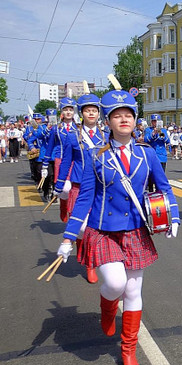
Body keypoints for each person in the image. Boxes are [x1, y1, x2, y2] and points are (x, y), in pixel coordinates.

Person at [56, 88, 180, 365]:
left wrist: (173, 215)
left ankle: (128, 350)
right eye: (117, 115)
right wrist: (68, 238)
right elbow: (85, 197)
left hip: (136, 231)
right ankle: (108, 307)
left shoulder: (146, 154)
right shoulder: (95, 155)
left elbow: (164, 187)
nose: (124, 119)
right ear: (108, 121)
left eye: (129, 115)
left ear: (136, 120)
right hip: (103, 230)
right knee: (114, 284)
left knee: (134, 289)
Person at [55, 93, 108, 284]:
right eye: (87, 110)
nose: (91, 113)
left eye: (94, 110)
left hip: (102, 187)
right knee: (83, 227)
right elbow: (66, 162)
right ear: (82, 113)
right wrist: (60, 185)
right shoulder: (71, 136)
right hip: (79, 187)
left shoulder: (107, 135)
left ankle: (90, 263)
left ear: (99, 113)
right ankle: (85, 256)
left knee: (95, 227)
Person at [43, 98, 78, 222]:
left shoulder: (78, 128)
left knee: (74, 189)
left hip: (76, 161)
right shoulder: (56, 129)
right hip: (61, 160)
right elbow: (50, 146)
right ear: (61, 112)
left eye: (71, 110)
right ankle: (63, 207)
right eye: (66, 109)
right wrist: (45, 165)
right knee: (64, 189)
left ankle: (73, 213)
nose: (68, 112)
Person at [144, 114, 170, 191]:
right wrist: (153, 133)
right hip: (151, 156)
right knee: (151, 178)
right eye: (154, 121)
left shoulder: (164, 130)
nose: (155, 123)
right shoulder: (148, 130)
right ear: (151, 122)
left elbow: (167, 141)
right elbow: (146, 140)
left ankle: (159, 193)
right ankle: (151, 192)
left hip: (161, 156)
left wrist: (161, 132)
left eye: (157, 121)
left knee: (160, 177)